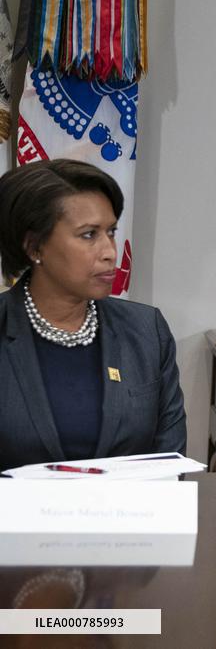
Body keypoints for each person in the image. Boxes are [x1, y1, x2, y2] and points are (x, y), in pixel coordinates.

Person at [0, 159, 186, 470]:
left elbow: (169, 463)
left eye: (111, 232)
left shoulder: (146, 332)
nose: (110, 251)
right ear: (34, 247)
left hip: (130, 516)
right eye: (89, 235)